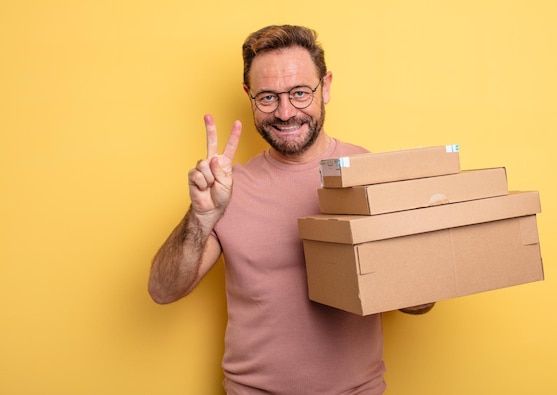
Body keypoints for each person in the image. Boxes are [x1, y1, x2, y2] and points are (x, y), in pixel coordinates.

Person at [149, 24, 434, 394]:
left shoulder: (371, 174)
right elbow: (162, 290)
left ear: (326, 87)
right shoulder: (228, 188)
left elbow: (420, 306)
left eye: (300, 93)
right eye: (268, 97)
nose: (285, 112)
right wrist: (201, 217)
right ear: (249, 95)